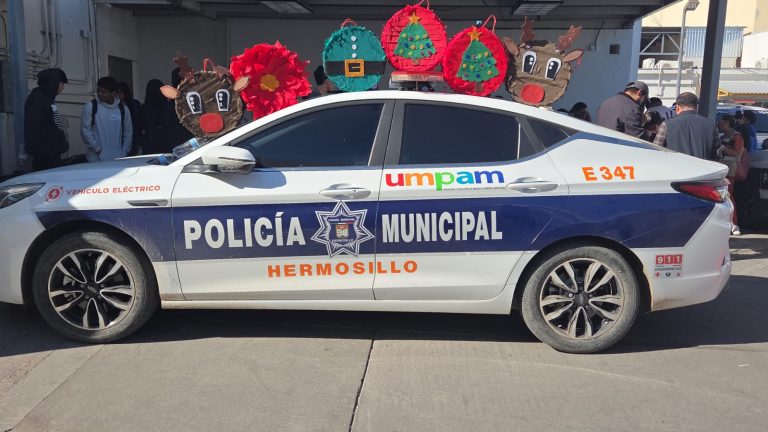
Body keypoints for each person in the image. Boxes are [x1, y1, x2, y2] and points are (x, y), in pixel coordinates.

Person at [23, 68, 69, 171]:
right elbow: (33, 128)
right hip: (45, 156)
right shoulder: (38, 99)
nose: (63, 88)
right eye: (62, 84)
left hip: (50, 153)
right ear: (54, 83)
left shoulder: (46, 98)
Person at [653, 92, 720, 160]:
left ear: (677, 107)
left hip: (674, 165)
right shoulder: (711, 125)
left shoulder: (666, 124)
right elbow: (717, 151)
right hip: (703, 166)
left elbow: (656, 149)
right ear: (696, 107)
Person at [81, 76, 133, 162]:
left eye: (103, 92)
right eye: (98, 90)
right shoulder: (91, 106)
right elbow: (85, 130)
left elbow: (128, 132)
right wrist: (98, 150)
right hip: (94, 159)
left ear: (113, 93)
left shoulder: (123, 109)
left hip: (117, 159)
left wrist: (124, 153)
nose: (99, 94)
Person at [718, 115, 744, 235]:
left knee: (729, 195)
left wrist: (724, 149)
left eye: (721, 122)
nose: (719, 124)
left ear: (727, 122)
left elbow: (738, 154)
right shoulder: (723, 136)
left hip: (730, 169)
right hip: (722, 168)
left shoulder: (737, 136)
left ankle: (734, 223)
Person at [164, 67, 194, 148]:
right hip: (186, 144)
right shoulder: (180, 100)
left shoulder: (172, 101)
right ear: (181, 81)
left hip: (179, 143)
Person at [117, 81, 143, 155]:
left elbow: (139, 123)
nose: (118, 95)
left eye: (120, 92)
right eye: (116, 92)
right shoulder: (113, 107)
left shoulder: (134, 104)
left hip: (134, 136)